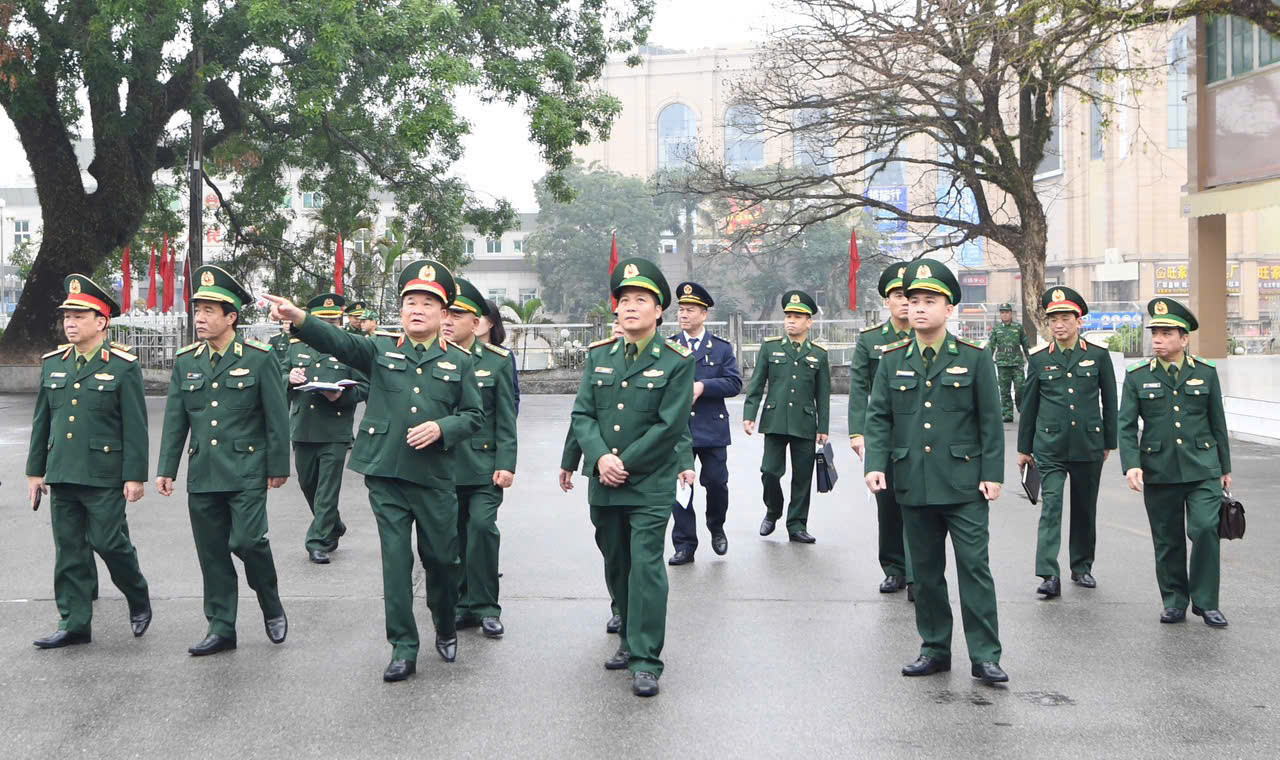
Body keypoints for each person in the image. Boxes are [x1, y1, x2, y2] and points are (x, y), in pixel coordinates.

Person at [265, 259, 484, 682]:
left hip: (435, 477)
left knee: (442, 559)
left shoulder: (459, 362)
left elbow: (474, 415)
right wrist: (300, 318)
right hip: (387, 472)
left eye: (427, 303)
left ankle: (444, 622)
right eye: (410, 302)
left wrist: (443, 427)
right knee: (395, 561)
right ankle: (403, 646)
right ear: (400, 310)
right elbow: (338, 341)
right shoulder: (379, 349)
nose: (417, 310)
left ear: (443, 313)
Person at [864, 259, 1008, 685]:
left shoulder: (974, 359)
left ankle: (985, 655)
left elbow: (990, 421)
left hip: (964, 485)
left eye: (930, 301)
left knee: (974, 569)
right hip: (914, 482)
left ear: (949, 309)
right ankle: (934, 648)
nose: (920, 308)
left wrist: (993, 473)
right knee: (925, 574)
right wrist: (875, 464)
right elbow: (879, 418)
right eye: (913, 301)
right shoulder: (892, 360)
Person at [570, 257, 694, 698]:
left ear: (659, 311)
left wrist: (622, 463)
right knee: (616, 562)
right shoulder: (600, 356)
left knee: (645, 567)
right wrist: (600, 458)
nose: (630, 307)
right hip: (603, 481)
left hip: (649, 483)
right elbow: (583, 414)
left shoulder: (676, 361)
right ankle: (626, 638)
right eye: (624, 300)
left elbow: (670, 426)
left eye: (641, 300)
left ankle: (646, 659)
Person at [156, 265, 291, 657]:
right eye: (197, 310)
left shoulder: (259, 358)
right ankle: (220, 627)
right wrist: (167, 469)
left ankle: (269, 600)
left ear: (231, 317)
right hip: (204, 471)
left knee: (248, 541)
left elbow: (277, 416)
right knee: (212, 553)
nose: (200, 318)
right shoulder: (186, 361)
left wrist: (278, 466)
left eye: (209, 311)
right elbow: (176, 419)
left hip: (246, 469)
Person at [27, 275, 152, 648]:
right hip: (63, 471)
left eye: (79, 316)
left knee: (108, 542)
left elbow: (135, 426)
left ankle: (137, 592)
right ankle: (74, 623)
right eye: (67, 316)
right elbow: (42, 421)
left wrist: (134, 477)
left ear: (101, 322)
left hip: (104, 473)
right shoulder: (54, 364)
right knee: (69, 551)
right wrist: (35, 472)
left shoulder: (123, 366)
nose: (70, 323)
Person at [1118, 298, 1232, 627]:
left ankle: (1206, 602)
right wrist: (1132, 464)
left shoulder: (1205, 373)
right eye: (1155, 333)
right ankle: (1174, 600)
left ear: (1184, 339)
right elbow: (1126, 425)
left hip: (1203, 468)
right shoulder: (1138, 376)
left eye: (1166, 333)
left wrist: (1225, 468)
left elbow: (1218, 423)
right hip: (1159, 469)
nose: (1158, 339)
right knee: (1167, 539)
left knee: (1205, 529)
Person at [1017, 287, 1117, 598]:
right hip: (1050, 445)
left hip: (1088, 443)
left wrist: (1109, 441)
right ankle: (1048, 573)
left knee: (1085, 508)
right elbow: (1029, 406)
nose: (1059, 325)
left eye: (1065, 319)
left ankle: (1082, 566)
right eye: (1053, 320)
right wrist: (1024, 449)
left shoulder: (1097, 355)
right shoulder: (1038, 359)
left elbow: (1110, 401)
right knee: (1051, 507)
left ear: (1079, 321)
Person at [441, 278, 518, 638]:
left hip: (484, 466)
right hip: (442, 466)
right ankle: (462, 605)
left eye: (457, 315)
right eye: (446, 313)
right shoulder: (433, 357)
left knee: (482, 530)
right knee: (452, 537)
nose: (448, 320)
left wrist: (506, 463)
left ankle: (487, 606)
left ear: (475, 323)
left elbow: (505, 417)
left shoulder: (496, 362)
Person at [283, 293, 370, 564]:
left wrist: (342, 395)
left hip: (335, 428)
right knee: (308, 484)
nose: (328, 326)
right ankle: (334, 524)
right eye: (323, 321)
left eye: (333, 321)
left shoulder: (350, 348)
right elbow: (276, 377)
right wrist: (289, 378)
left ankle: (317, 541)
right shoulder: (296, 347)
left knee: (327, 489)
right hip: (303, 427)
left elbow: (366, 386)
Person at [742, 290, 830, 544]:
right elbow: (756, 383)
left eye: (797, 317)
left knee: (802, 477)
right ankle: (773, 510)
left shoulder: (818, 354)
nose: (791, 321)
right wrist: (750, 414)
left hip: (804, 422)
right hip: (775, 419)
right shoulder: (770, 348)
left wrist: (823, 427)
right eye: (788, 316)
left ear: (809, 322)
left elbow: (823, 395)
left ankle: (797, 524)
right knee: (769, 471)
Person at [850, 263, 915, 597]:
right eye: (898, 296)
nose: (905, 302)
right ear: (887, 301)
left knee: (917, 504)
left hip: (918, 433)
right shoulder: (871, 339)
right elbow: (859, 388)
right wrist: (857, 433)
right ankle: (894, 569)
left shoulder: (925, 335)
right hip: (884, 434)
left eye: (910, 296)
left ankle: (917, 573)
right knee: (887, 505)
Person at [667, 281, 742, 565]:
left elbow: (734, 383)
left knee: (717, 484)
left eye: (690, 310)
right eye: (681, 309)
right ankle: (685, 544)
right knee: (681, 487)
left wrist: (703, 386)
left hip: (712, 428)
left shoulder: (721, 348)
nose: (683, 314)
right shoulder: (669, 347)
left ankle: (716, 526)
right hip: (679, 428)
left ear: (704, 314)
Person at [560, 313, 626, 634]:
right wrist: (569, 461)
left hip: (643, 472)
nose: (620, 326)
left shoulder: (665, 360)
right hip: (600, 472)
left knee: (639, 549)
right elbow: (583, 414)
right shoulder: (599, 358)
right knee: (610, 544)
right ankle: (619, 603)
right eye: (616, 321)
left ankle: (632, 611)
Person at [987, 303, 1032, 422]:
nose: (1005, 315)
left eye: (1007, 312)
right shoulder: (997, 329)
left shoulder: (1018, 327)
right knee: (1004, 390)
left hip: (1017, 363)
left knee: (1021, 388)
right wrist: (986, 361)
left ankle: (1022, 409)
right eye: (1002, 312)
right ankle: (1007, 414)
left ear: (1011, 313)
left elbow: (1026, 344)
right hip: (1002, 363)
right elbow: (991, 346)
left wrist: (1031, 360)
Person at [477, 299, 520, 415]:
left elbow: (512, 398)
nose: (474, 321)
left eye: (479, 316)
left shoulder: (503, 356)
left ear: (491, 323)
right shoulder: (460, 353)